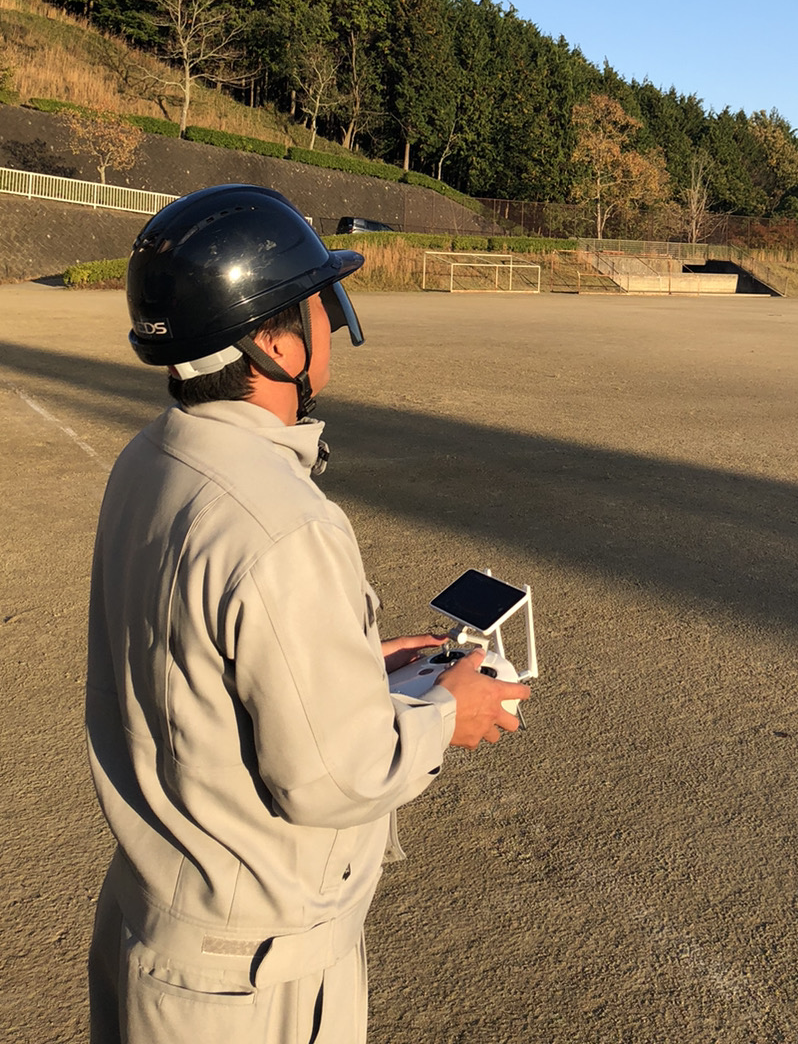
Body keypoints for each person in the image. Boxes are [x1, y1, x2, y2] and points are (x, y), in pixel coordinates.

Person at [86, 183, 527, 1043]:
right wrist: (447, 712)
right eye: (321, 302)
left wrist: (362, 670)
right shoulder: (285, 524)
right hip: (249, 983)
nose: (334, 319)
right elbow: (335, 776)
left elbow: (206, 674)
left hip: (157, 931)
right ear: (277, 341)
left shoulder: (148, 461)